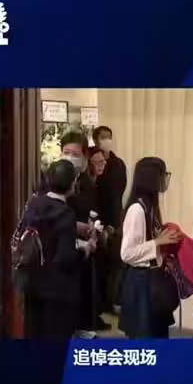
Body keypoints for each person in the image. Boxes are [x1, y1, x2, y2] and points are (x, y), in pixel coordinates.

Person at [20, 160, 92, 339]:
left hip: (32, 282)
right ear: (72, 184)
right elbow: (65, 258)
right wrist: (85, 250)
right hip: (58, 290)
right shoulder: (65, 213)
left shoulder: (34, 204)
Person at [119, 157, 184, 338]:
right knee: (144, 340)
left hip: (153, 280)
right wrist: (157, 243)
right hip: (141, 283)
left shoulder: (151, 207)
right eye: (163, 174)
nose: (165, 179)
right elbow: (127, 253)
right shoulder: (137, 210)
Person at [59, 131, 109, 331]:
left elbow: (93, 210)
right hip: (63, 246)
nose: (70, 157)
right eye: (66, 152)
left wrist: (94, 231)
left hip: (86, 246)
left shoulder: (87, 183)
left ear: (85, 157)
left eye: (75, 154)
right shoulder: (55, 180)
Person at [91, 126, 128, 315]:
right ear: (96, 140)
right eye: (103, 137)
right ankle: (99, 304)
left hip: (115, 218)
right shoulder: (93, 162)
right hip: (96, 219)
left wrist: (114, 223)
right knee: (99, 264)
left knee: (115, 264)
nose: (107, 140)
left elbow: (120, 190)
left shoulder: (118, 164)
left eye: (109, 137)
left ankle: (112, 301)